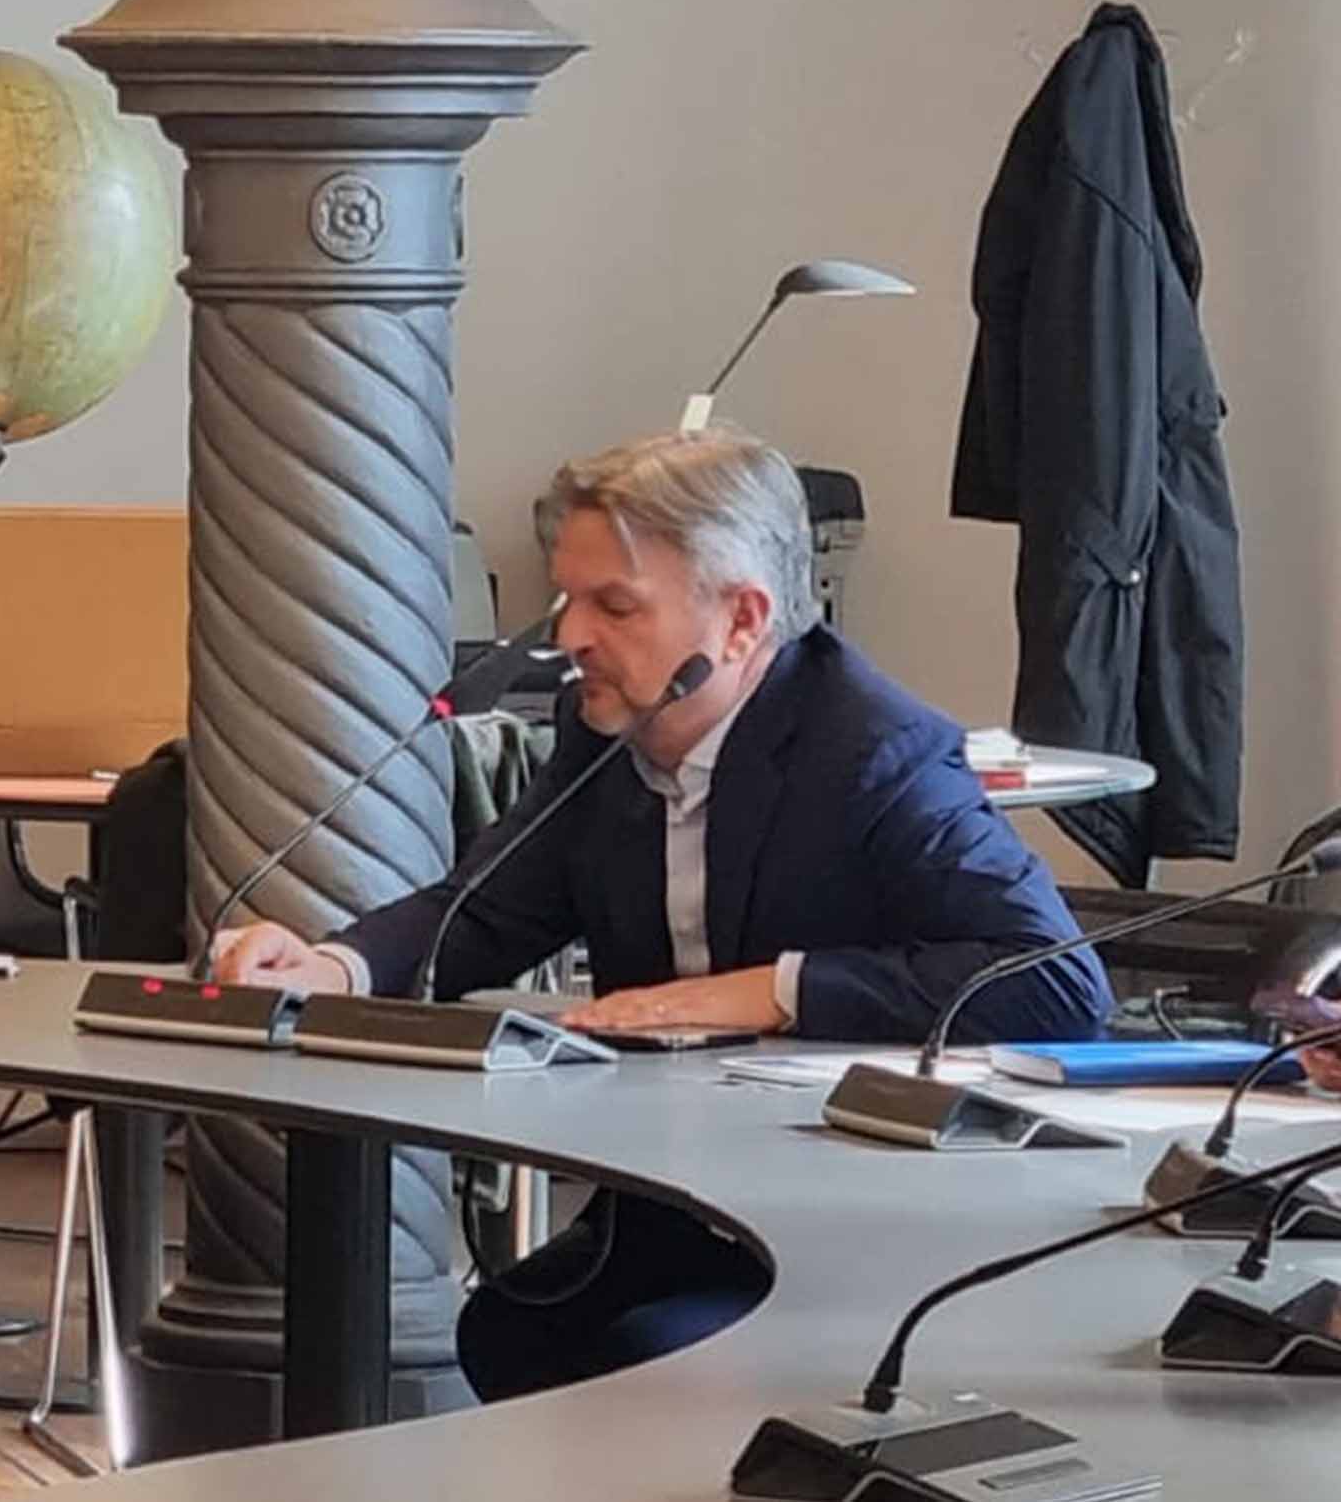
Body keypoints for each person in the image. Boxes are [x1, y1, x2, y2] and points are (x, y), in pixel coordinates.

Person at [212, 426, 1114, 1399]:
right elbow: (486, 910)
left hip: (856, 1235)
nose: (569, 638)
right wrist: (331, 967)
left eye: (614, 606)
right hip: (670, 1205)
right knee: (513, 1330)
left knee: (648, 1359)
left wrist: (770, 991)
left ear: (742, 619)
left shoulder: (871, 749)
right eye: (565, 600)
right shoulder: (604, 730)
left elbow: (1057, 983)